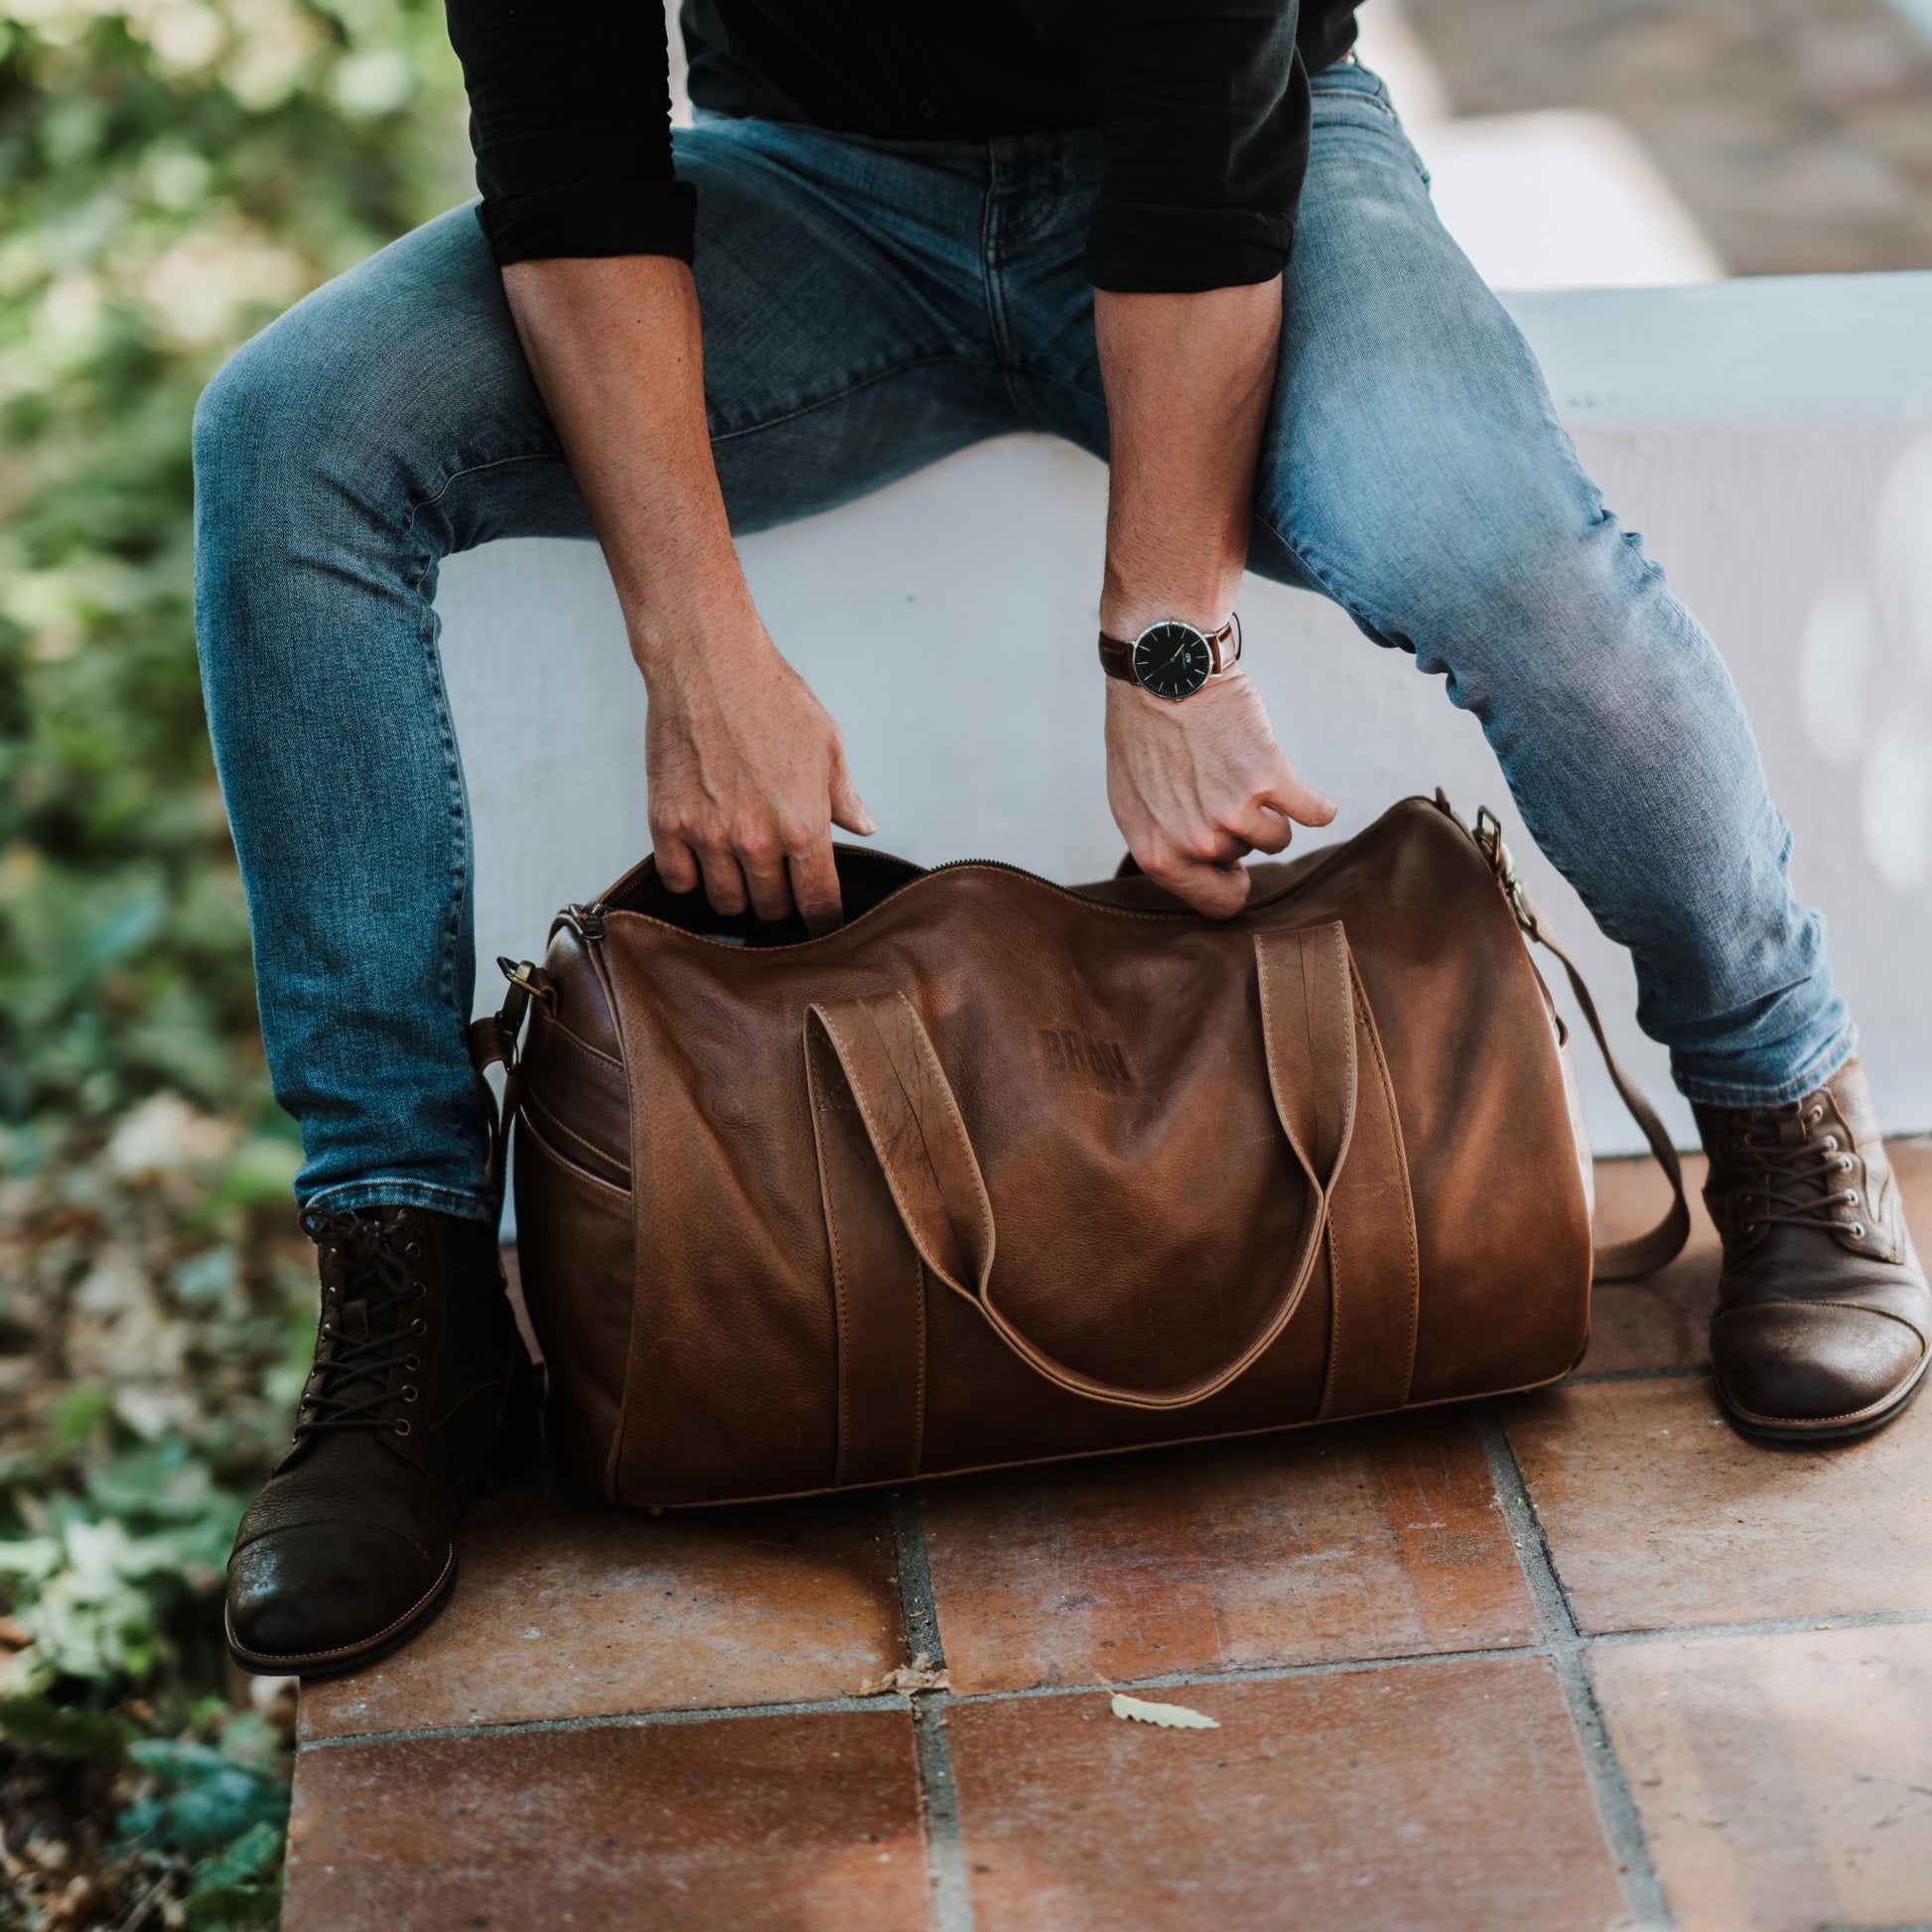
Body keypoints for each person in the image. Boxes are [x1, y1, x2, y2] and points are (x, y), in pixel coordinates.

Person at [194, 1, 1928, 1679]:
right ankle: (407, 1290)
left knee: (1483, 532)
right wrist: (697, 646)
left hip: (1249, 158)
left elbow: (1199, 125)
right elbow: (568, 146)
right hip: (808, 192)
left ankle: (1784, 1114)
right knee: (292, 440)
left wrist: (1165, 643)